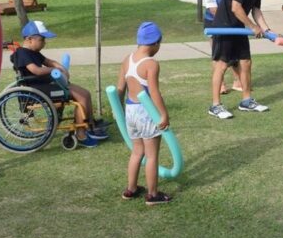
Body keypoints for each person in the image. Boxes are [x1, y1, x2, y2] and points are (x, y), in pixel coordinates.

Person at [12, 20, 108, 147]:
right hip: (39, 89)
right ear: (30, 39)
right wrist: (54, 70)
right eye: (42, 39)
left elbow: (49, 61)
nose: (44, 43)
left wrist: (61, 67)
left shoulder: (34, 52)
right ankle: (81, 134)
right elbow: (36, 70)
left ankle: (90, 125)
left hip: (47, 85)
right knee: (81, 98)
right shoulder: (22, 53)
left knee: (86, 93)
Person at [208, 0, 277, 119]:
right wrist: (252, 26)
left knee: (246, 62)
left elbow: (256, 10)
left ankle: (246, 101)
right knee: (222, 65)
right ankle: (215, 105)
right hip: (224, 27)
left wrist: (266, 30)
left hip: (239, 28)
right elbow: (236, 8)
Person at [116, 22, 172, 205]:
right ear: (155, 43)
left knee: (136, 152)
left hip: (130, 110)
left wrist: (118, 111)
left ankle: (131, 189)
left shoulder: (127, 59)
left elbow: (119, 89)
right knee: (152, 155)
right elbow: (154, 93)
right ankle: (152, 194)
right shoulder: (151, 64)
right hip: (146, 112)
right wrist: (163, 114)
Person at [204, 0, 242, 95]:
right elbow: (213, 10)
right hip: (214, 25)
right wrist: (227, 21)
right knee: (218, 55)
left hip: (229, 24)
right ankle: (220, 84)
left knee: (234, 53)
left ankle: (238, 82)